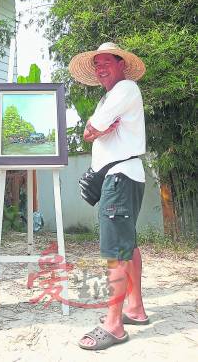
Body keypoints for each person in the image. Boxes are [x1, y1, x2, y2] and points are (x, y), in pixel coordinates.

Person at [69, 42, 149, 351]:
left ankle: (114, 324)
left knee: (116, 251)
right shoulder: (110, 96)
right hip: (125, 175)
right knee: (129, 244)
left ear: (121, 65)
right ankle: (135, 308)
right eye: (97, 63)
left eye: (106, 62)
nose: (101, 67)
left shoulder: (125, 89)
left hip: (120, 177)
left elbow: (94, 127)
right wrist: (94, 130)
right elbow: (89, 130)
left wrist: (95, 129)